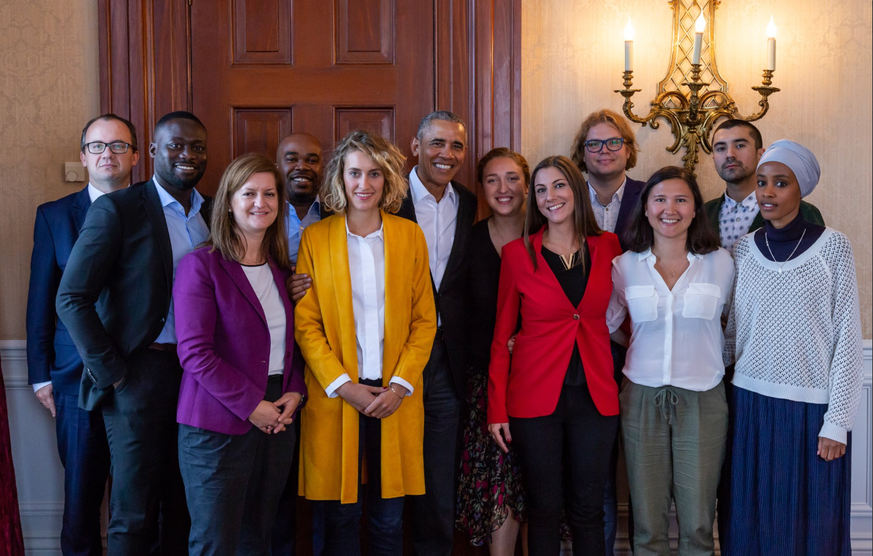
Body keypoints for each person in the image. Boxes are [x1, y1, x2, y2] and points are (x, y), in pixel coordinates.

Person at [56, 110, 210, 555]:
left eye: (197, 147)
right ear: (155, 153)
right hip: (138, 375)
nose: (187, 155)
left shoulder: (214, 212)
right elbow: (71, 298)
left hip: (199, 377)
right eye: (176, 145)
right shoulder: (117, 209)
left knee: (185, 503)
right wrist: (115, 374)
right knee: (135, 511)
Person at [295, 130, 437, 555]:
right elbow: (307, 325)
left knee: (389, 522)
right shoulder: (315, 239)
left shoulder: (409, 236)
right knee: (339, 521)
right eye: (354, 172)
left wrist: (400, 386)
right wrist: (345, 386)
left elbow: (424, 321)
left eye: (374, 173)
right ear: (339, 177)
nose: (364, 184)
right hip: (338, 396)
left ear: (388, 178)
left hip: (396, 396)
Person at [722, 140, 862, 556]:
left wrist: (837, 421)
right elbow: (733, 335)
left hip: (810, 410)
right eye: (762, 182)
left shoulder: (833, 247)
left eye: (780, 183)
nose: (767, 192)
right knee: (750, 518)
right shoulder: (743, 249)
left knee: (809, 524)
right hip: (748, 404)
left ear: (801, 190)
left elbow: (847, 339)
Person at [488, 155, 622, 556]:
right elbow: (501, 338)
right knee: (544, 509)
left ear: (577, 190)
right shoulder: (517, 254)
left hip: (596, 398)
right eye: (542, 189)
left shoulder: (609, 247)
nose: (551, 197)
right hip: (534, 400)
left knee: (587, 509)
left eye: (559, 186)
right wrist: (497, 409)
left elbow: (631, 314)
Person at [172, 152, 306, 554]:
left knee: (257, 538)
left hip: (279, 420)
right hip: (216, 425)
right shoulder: (201, 265)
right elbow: (195, 353)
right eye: (249, 193)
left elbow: (290, 345)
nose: (259, 202)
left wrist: (295, 391)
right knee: (216, 542)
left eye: (269, 194)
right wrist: (252, 405)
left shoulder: (281, 271)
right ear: (229, 201)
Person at [26, 114, 138, 556]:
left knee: (144, 500)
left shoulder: (157, 210)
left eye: (117, 146)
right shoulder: (54, 216)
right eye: (97, 146)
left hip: (144, 374)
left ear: (134, 154)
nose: (107, 154)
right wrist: (39, 375)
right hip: (74, 379)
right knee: (80, 503)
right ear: (83, 156)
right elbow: (41, 299)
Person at [607, 166, 732, 556]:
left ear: (696, 209)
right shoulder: (624, 266)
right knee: (647, 520)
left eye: (681, 199)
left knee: (697, 519)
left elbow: (735, 324)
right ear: (646, 209)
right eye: (660, 199)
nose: (670, 208)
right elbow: (608, 324)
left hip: (703, 401)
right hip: (641, 399)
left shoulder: (722, 263)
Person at [397, 110, 477, 556]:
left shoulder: (467, 202)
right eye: (437, 143)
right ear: (415, 145)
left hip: (446, 361)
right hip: (391, 358)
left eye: (456, 146)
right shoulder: (385, 197)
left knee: (438, 474)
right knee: (385, 468)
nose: (446, 154)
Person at [571, 108, 645, 554]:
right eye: (594, 144)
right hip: (581, 353)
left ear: (628, 150)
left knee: (641, 465)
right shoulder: (562, 195)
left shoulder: (651, 194)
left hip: (643, 351)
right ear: (581, 153)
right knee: (593, 467)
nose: (604, 150)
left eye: (613, 142)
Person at [456, 148, 529, 554]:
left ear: (527, 182)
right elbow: (453, 309)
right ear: (481, 188)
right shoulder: (468, 239)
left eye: (513, 178)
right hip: (485, 381)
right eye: (492, 180)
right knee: (499, 477)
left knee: (537, 480)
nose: (504, 189)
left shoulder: (548, 236)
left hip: (540, 379)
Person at [271, 131, 327, 556]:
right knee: (277, 477)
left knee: (325, 467)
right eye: (292, 158)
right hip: (271, 361)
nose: (302, 166)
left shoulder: (340, 215)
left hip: (329, 358)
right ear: (278, 163)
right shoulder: (261, 210)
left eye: (312, 158)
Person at [706, 119, 824, 254]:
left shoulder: (802, 211)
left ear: (761, 154)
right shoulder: (701, 214)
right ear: (714, 159)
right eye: (721, 148)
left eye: (739, 145)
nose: (730, 154)